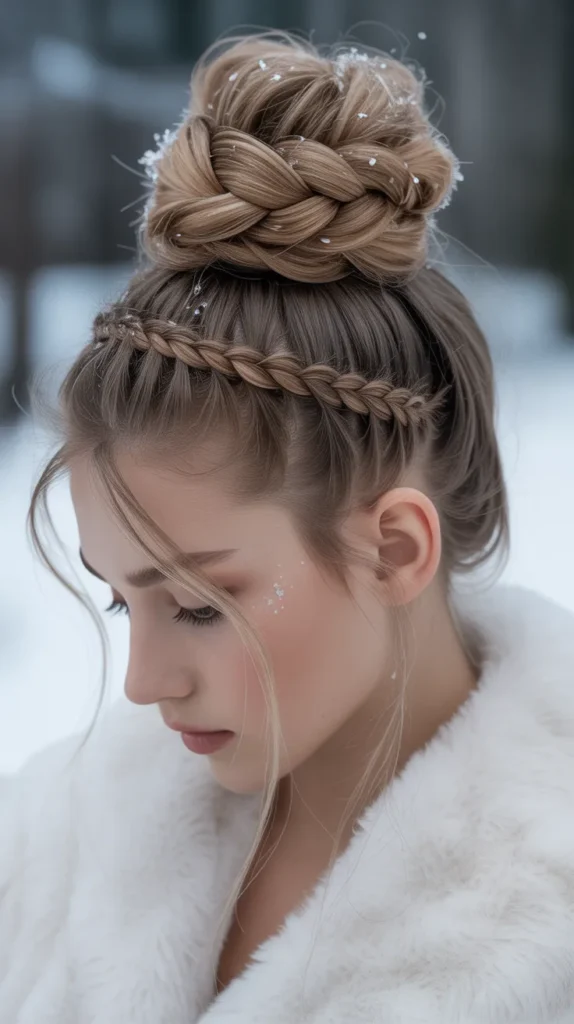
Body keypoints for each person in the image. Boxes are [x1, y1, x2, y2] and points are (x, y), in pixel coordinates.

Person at [2, 31, 574, 1024]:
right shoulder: (55, 841)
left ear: (394, 547)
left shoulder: (544, 937)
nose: (142, 682)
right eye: (117, 592)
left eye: (195, 602)